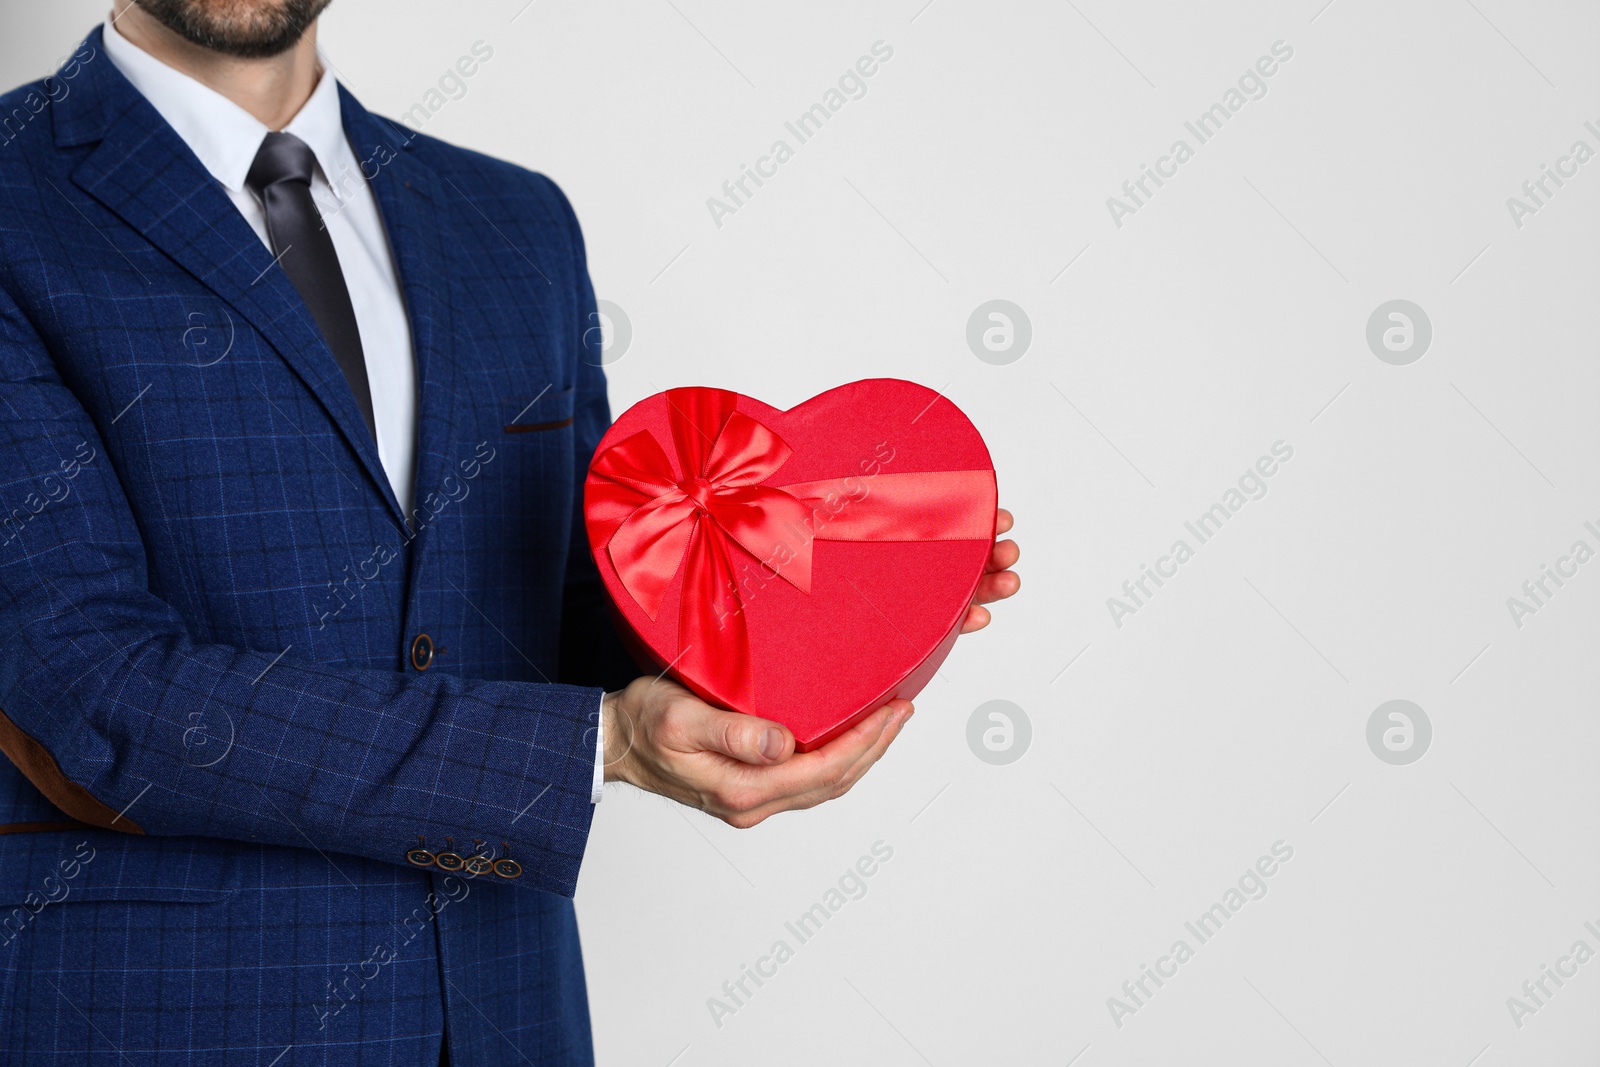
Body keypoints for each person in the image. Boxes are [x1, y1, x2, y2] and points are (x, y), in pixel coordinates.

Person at [0, 1, 1021, 1062]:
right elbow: (96, 689)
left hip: (506, 1007)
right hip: (169, 1017)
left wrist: (820, 604)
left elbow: (566, 608)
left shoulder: (513, 220)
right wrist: (603, 746)